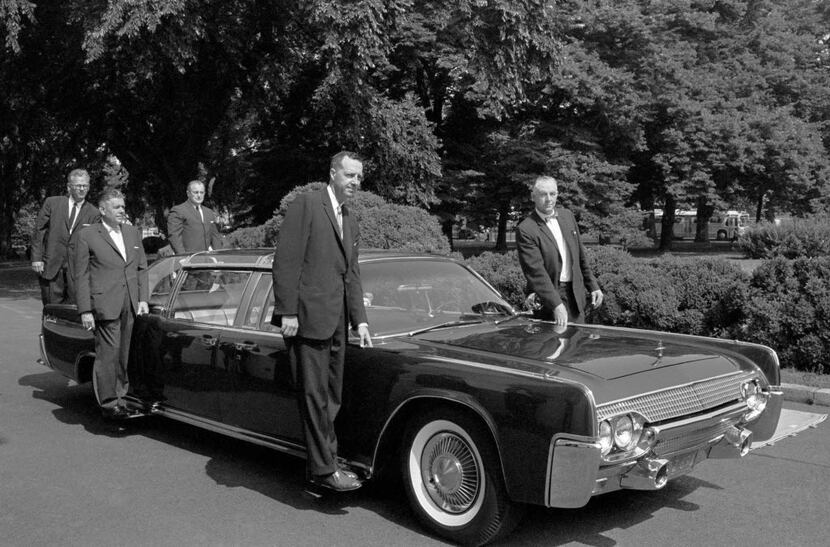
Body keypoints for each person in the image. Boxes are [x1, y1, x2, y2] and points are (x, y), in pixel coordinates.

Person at [271, 151, 373, 493]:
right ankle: (325, 469)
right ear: (333, 173)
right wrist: (287, 311)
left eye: (359, 177)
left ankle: (321, 461)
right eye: (350, 175)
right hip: (307, 319)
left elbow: (352, 273)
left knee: (332, 397)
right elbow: (286, 260)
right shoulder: (307, 204)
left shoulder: (351, 218)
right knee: (314, 396)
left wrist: (360, 320)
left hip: (338, 321)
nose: (355, 182)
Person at [74, 188, 149, 420]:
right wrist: (85, 309)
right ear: (103, 209)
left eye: (123, 207)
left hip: (130, 303)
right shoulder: (87, 235)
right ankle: (109, 402)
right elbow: (81, 275)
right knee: (109, 354)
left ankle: (122, 397)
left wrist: (143, 298)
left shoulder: (132, 232)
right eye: (117, 207)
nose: (121, 211)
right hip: (104, 303)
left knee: (125, 353)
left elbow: (142, 267)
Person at [516, 176, 603, 325]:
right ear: (533, 197)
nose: (549, 199)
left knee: (576, 343)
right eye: (543, 194)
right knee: (555, 346)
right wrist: (556, 305)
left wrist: (593, 286)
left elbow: (580, 256)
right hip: (550, 298)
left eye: (553, 193)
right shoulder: (526, 229)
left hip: (576, 294)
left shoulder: (567, 216)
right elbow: (536, 273)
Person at [31, 169, 101, 305]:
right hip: (51, 266)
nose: (82, 189)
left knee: (74, 310)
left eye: (85, 185)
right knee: (51, 310)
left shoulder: (94, 213)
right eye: (78, 185)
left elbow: (95, 243)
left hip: (77, 270)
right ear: (69, 187)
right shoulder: (52, 203)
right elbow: (39, 231)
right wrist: (36, 259)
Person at [166, 180, 223, 253]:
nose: (199, 195)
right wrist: (183, 257)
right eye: (196, 192)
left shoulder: (209, 212)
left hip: (207, 259)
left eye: (201, 192)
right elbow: (174, 237)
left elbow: (215, 237)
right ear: (188, 193)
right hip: (188, 259)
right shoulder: (178, 211)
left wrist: (218, 255)